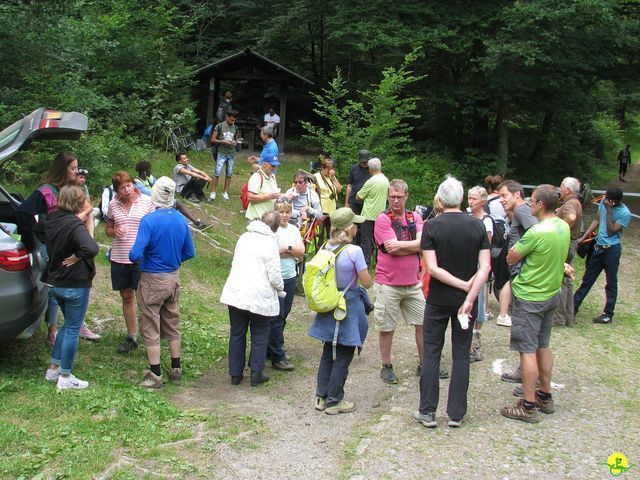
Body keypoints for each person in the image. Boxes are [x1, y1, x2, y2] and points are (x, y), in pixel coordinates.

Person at [413, 176, 490, 429]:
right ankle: (456, 414)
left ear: (440, 198)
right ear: (460, 197)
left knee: (432, 352)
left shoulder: (432, 227)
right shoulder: (478, 226)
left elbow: (432, 270)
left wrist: (461, 285)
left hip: (437, 299)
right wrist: (469, 295)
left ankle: (427, 411)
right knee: (461, 355)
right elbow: (486, 267)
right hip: (465, 303)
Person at [500, 184, 570, 423]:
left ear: (541, 205)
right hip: (552, 293)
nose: (529, 205)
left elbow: (512, 256)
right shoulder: (562, 226)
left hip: (530, 297)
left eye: (533, 202)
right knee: (544, 344)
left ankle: (528, 405)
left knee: (527, 350)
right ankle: (545, 395)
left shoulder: (537, 232)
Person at [16, 152, 97, 345]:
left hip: (73, 243)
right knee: (55, 285)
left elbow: (87, 211)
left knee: (79, 284)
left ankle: (77, 322)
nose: (76, 171)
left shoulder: (70, 189)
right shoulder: (45, 191)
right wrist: (36, 236)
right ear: (63, 169)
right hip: (54, 247)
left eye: (77, 167)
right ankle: (53, 329)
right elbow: (23, 212)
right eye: (73, 168)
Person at [129, 177, 195, 389]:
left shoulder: (149, 221)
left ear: (154, 194)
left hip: (152, 279)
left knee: (150, 325)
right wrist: (172, 259)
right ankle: (176, 367)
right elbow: (189, 252)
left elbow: (134, 254)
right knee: (172, 322)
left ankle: (155, 373)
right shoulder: (180, 220)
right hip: (173, 278)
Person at [308, 208, 372, 415]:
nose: (358, 227)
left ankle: (322, 397)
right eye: (355, 224)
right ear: (349, 228)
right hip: (348, 305)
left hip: (329, 302)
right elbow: (367, 282)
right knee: (344, 352)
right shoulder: (354, 251)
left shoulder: (326, 247)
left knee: (328, 350)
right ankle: (335, 401)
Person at [43, 185, 99, 391]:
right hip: (75, 284)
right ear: (78, 201)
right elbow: (91, 247)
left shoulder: (52, 220)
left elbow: (38, 231)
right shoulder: (75, 226)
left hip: (56, 282)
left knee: (68, 325)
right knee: (74, 329)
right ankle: (65, 376)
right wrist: (77, 256)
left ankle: (53, 368)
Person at [220, 211, 285, 386]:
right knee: (260, 332)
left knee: (237, 332)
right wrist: (281, 288)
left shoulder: (244, 237)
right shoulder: (270, 242)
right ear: (275, 227)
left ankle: (235, 374)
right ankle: (256, 372)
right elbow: (274, 274)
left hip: (237, 292)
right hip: (259, 294)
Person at [373, 179, 425, 384]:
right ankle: (386, 365)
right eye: (392, 196)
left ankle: (425, 364)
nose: (395, 200)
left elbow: (424, 244)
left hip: (413, 283)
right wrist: (416, 245)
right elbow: (390, 247)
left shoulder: (416, 217)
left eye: (399, 196)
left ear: (406, 196)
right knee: (387, 326)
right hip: (388, 282)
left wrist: (404, 245)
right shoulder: (382, 219)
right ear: (388, 196)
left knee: (423, 324)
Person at [105, 171, 155, 353]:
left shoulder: (147, 202)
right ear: (116, 190)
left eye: (129, 185)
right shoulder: (113, 204)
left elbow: (153, 228)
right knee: (126, 296)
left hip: (141, 256)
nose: (126, 190)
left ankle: (151, 335)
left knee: (145, 297)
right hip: (119, 255)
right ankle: (132, 336)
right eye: (122, 188)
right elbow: (108, 228)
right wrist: (113, 231)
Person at [497, 180, 538, 383]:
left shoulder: (522, 211)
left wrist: (518, 253)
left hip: (524, 277)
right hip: (521, 275)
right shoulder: (518, 213)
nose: (502, 200)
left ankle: (528, 379)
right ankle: (526, 373)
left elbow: (537, 234)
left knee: (525, 336)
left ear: (517, 194)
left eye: (504, 195)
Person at [573, 187, 631, 324]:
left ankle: (608, 314)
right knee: (587, 279)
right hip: (598, 248)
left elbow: (612, 231)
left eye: (609, 199)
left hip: (612, 250)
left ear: (616, 201)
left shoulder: (624, 213)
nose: (605, 200)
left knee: (611, 283)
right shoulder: (604, 202)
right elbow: (597, 220)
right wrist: (583, 238)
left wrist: (610, 209)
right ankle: (573, 307)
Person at [267, 200, 305, 371]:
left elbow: (301, 252)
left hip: (290, 276)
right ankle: (277, 355)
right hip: (276, 277)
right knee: (277, 316)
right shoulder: (271, 231)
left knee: (285, 314)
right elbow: (273, 254)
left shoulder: (294, 230)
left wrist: (287, 249)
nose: (284, 215)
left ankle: (273, 345)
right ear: (275, 212)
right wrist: (291, 251)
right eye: (281, 211)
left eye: (287, 211)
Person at [135, 161, 207, 229]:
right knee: (170, 206)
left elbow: (159, 186)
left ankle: (196, 222)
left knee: (177, 202)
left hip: (158, 200)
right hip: (150, 204)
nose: (150, 171)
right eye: (149, 169)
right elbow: (152, 193)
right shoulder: (138, 183)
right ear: (144, 172)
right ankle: (182, 224)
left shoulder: (150, 178)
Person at [467, 186, 494, 362]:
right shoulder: (466, 217)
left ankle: (475, 337)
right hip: (465, 263)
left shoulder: (486, 221)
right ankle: (468, 341)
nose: (470, 202)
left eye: (474, 199)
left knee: (478, 301)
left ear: (482, 201)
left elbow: (486, 246)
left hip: (478, 264)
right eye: (469, 198)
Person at [553, 177, 583, 326]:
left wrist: (558, 230)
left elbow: (571, 217)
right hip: (571, 243)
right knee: (567, 280)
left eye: (561, 186)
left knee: (561, 279)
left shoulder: (570, 204)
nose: (560, 189)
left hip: (566, 243)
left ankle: (558, 318)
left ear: (568, 190)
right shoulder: (576, 202)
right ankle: (568, 317)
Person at [484, 174, 509, 323]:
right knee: (504, 278)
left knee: (485, 277)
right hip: (502, 243)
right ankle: (504, 311)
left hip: (488, 243)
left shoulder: (484, 201)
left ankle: (485, 309)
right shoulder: (503, 202)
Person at [356, 157, 389, 265]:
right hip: (381, 215)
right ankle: (379, 262)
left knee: (366, 240)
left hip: (368, 215)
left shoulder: (370, 181)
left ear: (370, 169)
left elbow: (358, 197)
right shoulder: (385, 180)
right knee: (379, 240)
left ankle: (366, 263)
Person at [210, 109, 239, 201]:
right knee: (217, 172)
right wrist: (221, 141)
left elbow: (235, 139)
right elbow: (212, 140)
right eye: (231, 120)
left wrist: (235, 142)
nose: (232, 122)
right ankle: (213, 192)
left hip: (231, 153)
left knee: (229, 173)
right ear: (227, 117)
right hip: (221, 152)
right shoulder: (219, 126)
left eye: (234, 120)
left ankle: (225, 192)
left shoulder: (235, 127)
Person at [314, 156, 342, 243]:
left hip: (332, 211)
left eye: (332, 169)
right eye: (328, 169)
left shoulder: (331, 177)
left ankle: (330, 250)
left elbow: (339, 189)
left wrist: (333, 178)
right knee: (320, 234)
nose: (330, 171)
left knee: (331, 233)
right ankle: (319, 252)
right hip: (322, 210)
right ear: (323, 168)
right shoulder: (316, 177)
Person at [245, 153, 281, 221]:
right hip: (256, 219)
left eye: (276, 165)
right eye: (272, 165)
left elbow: (274, 195)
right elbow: (250, 197)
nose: (274, 168)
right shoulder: (256, 177)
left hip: (268, 219)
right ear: (264, 164)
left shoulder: (272, 176)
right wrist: (269, 196)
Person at [345, 150, 371, 215]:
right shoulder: (354, 168)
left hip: (366, 203)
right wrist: (346, 203)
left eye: (366, 162)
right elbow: (349, 185)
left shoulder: (372, 169)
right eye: (363, 162)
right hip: (353, 201)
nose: (364, 164)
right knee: (353, 223)